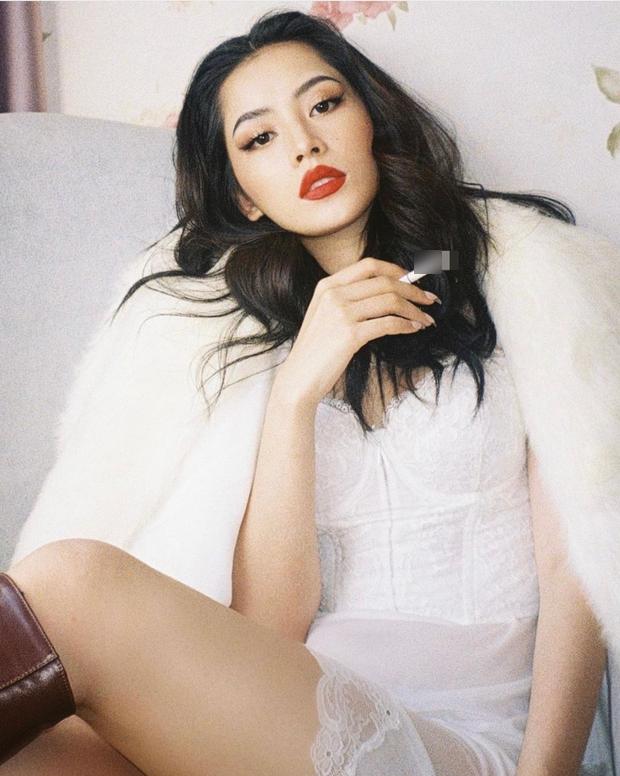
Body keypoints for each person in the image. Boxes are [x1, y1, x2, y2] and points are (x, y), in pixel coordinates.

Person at [1, 9, 616, 776]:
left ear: (371, 121)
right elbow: (269, 626)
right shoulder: (245, 353)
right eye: (259, 138)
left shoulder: (522, 282)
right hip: (290, 716)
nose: (303, 143)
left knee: (68, 581)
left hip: (461, 738)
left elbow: (580, 567)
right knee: (27, 755)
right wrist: (296, 394)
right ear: (246, 197)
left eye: (324, 104)